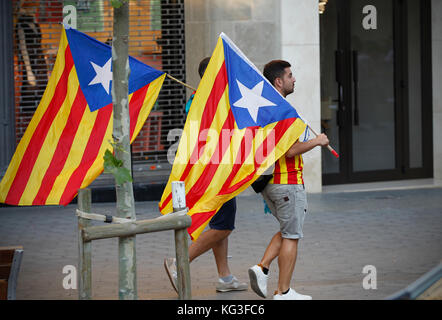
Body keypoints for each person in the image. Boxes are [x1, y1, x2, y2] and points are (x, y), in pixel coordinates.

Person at [164, 57, 248, 294]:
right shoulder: (209, 103)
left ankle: (225, 277)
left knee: (220, 224)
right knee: (223, 227)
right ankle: (178, 262)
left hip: (213, 171)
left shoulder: (198, 101)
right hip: (215, 173)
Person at [248, 60, 329, 300]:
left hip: (271, 184)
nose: (294, 79)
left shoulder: (264, 108)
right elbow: (290, 150)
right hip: (287, 182)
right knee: (292, 236)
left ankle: (262, 268)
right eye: (290, 75)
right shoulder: (282, 110)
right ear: (278, 82)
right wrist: (317, 141)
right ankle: (283, 292)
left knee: (287, 230)